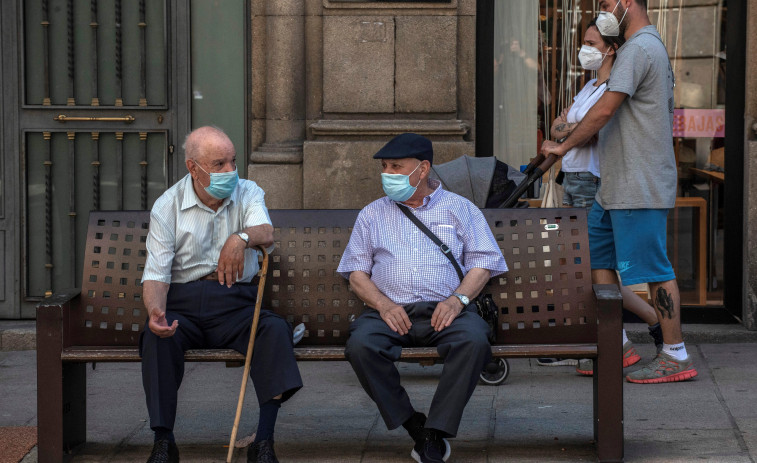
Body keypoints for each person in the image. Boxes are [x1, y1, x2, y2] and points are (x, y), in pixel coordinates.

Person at [541, 0, 697, 384]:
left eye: (609, 2)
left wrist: (562, 146)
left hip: (637, 184)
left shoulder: (639, 49)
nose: (604, 8)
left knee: (655, 270)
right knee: (593, 262)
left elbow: (603, 112)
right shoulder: (640, 48)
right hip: (614, 186)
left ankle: (675, 355)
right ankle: (616, 345)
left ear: (627, 3)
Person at [338, 133, 508, 463]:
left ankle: (437, 430)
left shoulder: (460, 208)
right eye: (384, 167)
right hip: (389, 311)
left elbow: (484, 262)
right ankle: (413, 424)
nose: (387, 173)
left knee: (474, 341)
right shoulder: (372, 214)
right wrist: (384, 305)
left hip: (444, 310)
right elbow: (356, 273)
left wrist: (457, 301)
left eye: (396, 167)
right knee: (360, 346)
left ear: (423, 168)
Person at [140, 126, 303, 463]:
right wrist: (156, 311)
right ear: (193, 168)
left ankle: (264, 442)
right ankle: (163, 441)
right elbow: (156, 273)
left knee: (272, 330)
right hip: (183, 305)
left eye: (233, 162)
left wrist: (239, 238)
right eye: (219, 164)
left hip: (235, 305)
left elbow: (267, 232)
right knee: (156, 337)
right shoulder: (167, 205)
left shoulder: (248, 192)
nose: (230, 171)